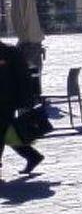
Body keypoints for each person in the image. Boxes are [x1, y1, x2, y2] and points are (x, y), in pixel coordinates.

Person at [0, 38, 45, 180]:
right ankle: (33, 156)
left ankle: (33, 156)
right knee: (6, 132)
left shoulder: (10, 51)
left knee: (3, 131)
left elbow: (23, 77)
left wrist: (26, 101)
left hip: (7, 101)